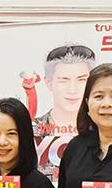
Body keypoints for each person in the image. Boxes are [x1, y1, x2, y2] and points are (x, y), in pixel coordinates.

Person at [31, 44, 95, 176]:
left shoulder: (101, 130)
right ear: (49, 82)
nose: (73, 90)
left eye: (81, 80)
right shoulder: (30, 129)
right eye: (64, 80)